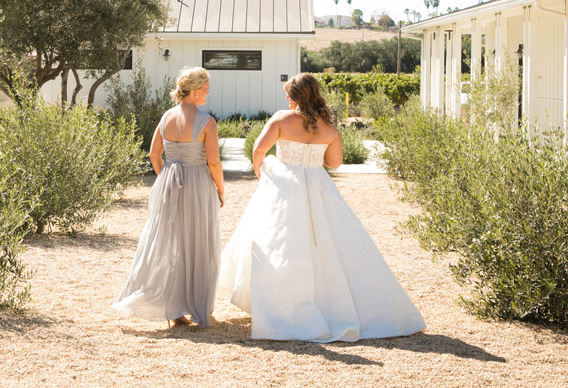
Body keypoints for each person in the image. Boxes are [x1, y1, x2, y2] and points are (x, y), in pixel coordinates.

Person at [217, 73, 425, 342]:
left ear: (294, 96)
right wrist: (314, 154)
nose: (285, 98)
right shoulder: (328, 128)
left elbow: (258, 150)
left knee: (279, 243)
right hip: (318, 185)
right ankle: (326, 302)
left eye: (288, 93)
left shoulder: (281, 119)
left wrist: (265, 175)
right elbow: (335, 162)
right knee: (327, 244)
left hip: (283, 186)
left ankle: (280, 304)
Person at [112, 67, 224, 327]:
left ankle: (174, 309)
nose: (208, 91)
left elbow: (154, 155)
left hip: (169, 184)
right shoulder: (207, 121)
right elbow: (214, 162)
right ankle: (199, 307)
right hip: (197, 184)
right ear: (195, 92)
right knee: (198, 243)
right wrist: (219, 189)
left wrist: (167, 179)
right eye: (206, 87)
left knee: (170, 243)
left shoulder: (166, 117)